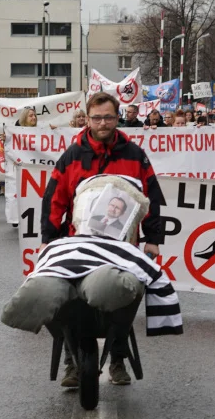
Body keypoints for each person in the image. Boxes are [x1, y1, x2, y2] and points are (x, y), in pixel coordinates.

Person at [40, 91, 165, 387]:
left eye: (108, 117)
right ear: (87, 118)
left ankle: (118, 358)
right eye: (96, 118)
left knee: (123, 298)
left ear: (117, 117)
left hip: (122, 247)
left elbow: (152, 197)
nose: (102, 123)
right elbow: (54, 199)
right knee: (63, 297)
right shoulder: (72, 156)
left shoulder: (134, 155)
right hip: (79, 245)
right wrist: (48, 239)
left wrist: (153, 238)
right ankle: (72, 361)